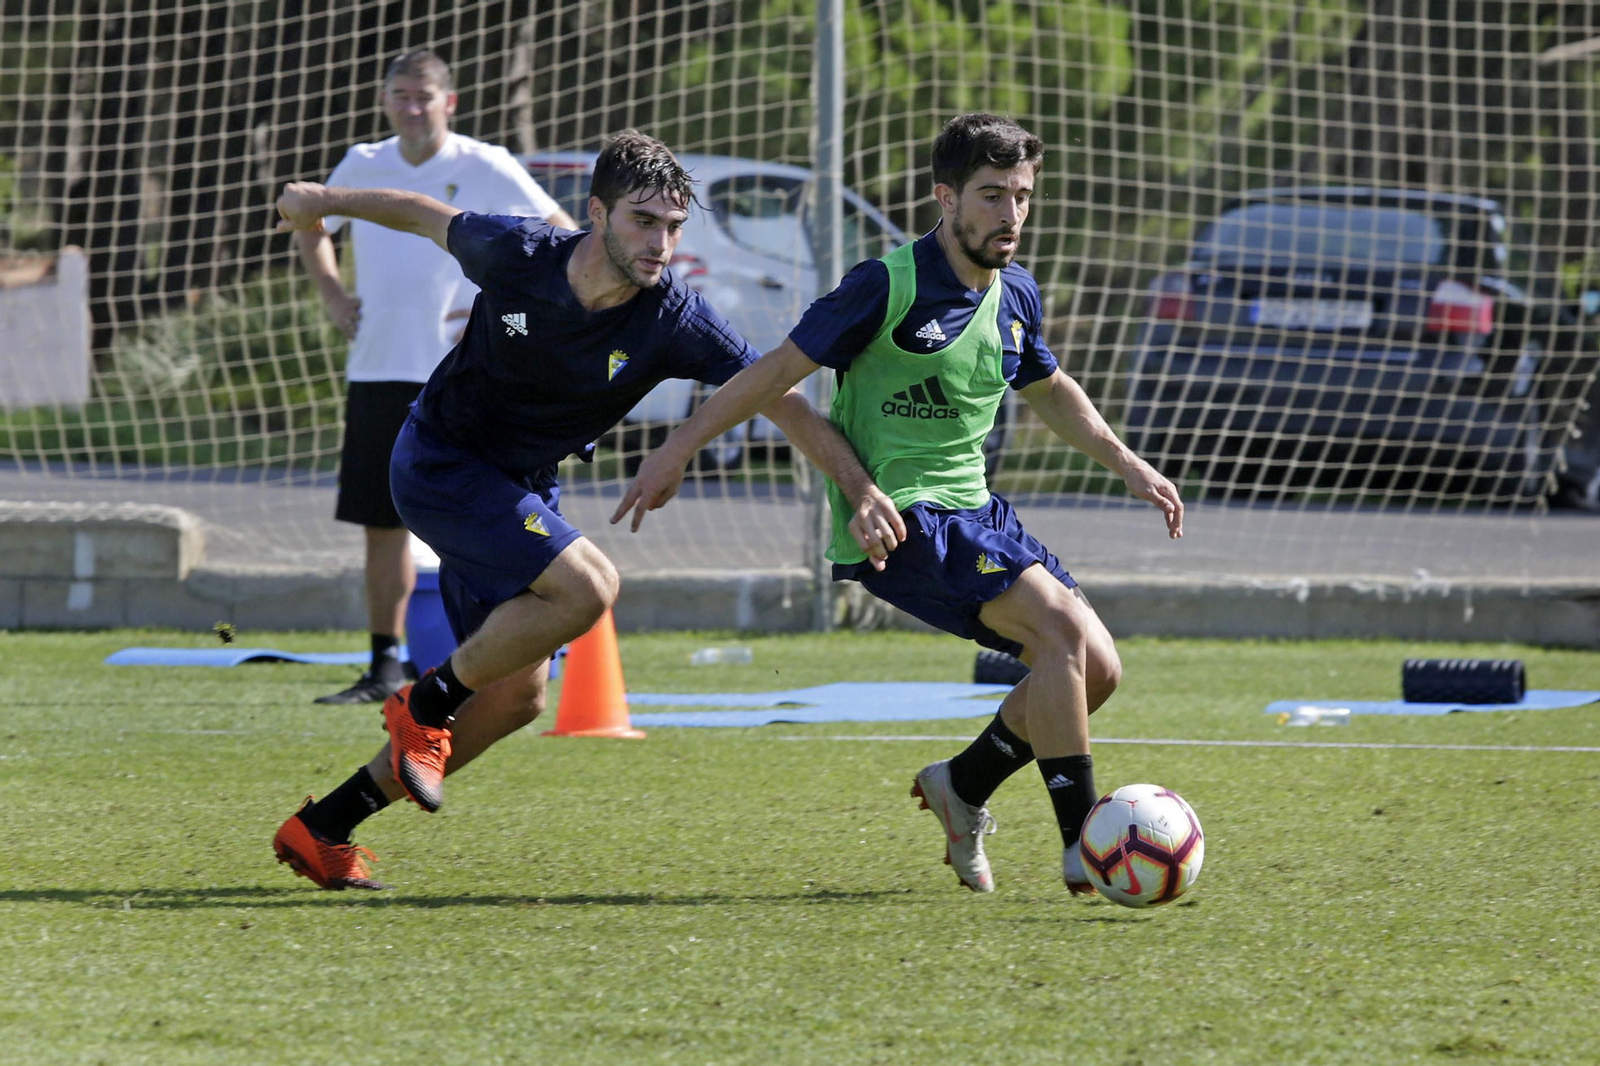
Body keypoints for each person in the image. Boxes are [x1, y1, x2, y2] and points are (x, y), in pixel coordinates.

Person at [269, 130, 902, 890]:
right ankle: (423, 702)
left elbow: (779, 394)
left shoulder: (672, 316)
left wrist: (857, 486)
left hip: (521, 488)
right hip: (440, 461)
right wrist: (322, 202)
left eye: (674, 227)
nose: (661, 242)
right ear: (596, 213)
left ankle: (325, 825)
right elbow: (418, 212)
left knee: (515, 698)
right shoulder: (520, 253)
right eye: (643, 220)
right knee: (589, 587)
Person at [613, 113, 1185, 895]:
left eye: (1022, 195)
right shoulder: (886, 285)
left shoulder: (1016, 292)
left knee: (1099, 671)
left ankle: (964, 785)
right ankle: (1086, 852)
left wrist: (1126, 462)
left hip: (977, 510)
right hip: (901, 519)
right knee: (1058, 635)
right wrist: (675, 450)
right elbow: (773, 372)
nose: (1010, 215)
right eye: (992, 196)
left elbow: (1049, 387)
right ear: (945, 199)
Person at [297, 48, 579, 705]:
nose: (412, 107)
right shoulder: (363, 164)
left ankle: (492, 659)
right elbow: (312, 223)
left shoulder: (485, 165)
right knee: (381, 522)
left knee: (477, 519)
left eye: (424, 96)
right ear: (385, 100)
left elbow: (561, 234)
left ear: (449, 102)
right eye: (400, 95)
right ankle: (382, 665)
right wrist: (334, 296)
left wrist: (504, 307)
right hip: (379, 369)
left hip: (466, 380)